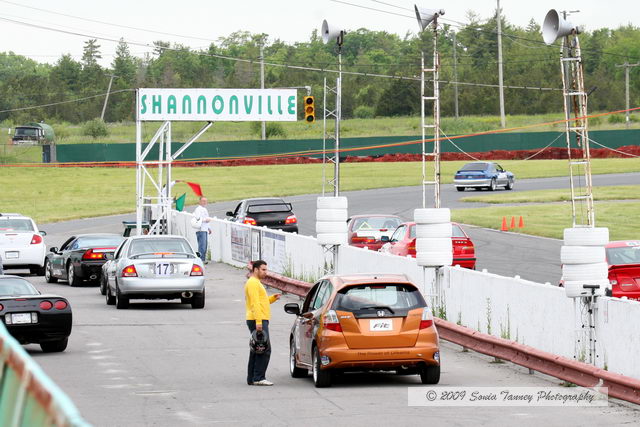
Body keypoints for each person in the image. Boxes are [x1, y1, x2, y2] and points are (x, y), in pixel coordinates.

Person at [245, 260, 281, 386]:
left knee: (256, 348)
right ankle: (259, 377)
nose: (266, 272)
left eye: (266, 269)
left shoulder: (256, 283)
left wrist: (272, 298)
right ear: (255, 270)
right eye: (263, 269)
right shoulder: (253, 283)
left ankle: (252, 378)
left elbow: (261, 302)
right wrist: (259, 322)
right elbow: (255, 304)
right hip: (257, 319)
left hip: (257, 318)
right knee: (264, 348)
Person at [193, 196, 211, 264]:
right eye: (203, 201)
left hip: (205, 229)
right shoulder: (198, 209)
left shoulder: (204, 209)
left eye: (205, 201)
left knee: (205, 245)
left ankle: (203, 259)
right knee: (202, 245)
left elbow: (206, 218)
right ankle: (200, 260)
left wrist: (209, 228)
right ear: (200, 201)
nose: (205, 202)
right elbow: (197, 218)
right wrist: (205, 220)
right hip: (200, 229)